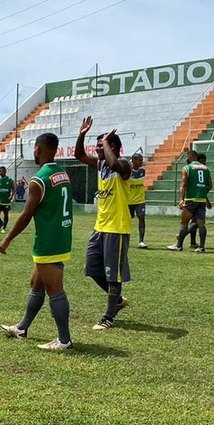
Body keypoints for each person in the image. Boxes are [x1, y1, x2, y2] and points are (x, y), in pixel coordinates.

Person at [0, 133, 73, 351]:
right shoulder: (63, 174)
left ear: (38, 149)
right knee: (36, 283)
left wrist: (7, 239)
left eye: (35, 148)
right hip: (61, 235)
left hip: (49, 240)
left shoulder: (39, 180)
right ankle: (22, 328)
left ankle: (64, 340)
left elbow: (25, 216)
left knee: (55, 289)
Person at [74, 116, 131, 331]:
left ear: (114, 146)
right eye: (98, 146)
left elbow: (115, 164)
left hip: (117, 228)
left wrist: (106, 143)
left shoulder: (124, 165)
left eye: (102, 145)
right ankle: (117, 300)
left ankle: (108, 317)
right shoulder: (100, 165)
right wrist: (82, 133)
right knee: (92, 268)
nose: (97, 149)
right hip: (100, 227)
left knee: (112, 274)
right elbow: (79, 155)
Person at [167, 150, 212, 253]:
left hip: (191, 199)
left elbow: (183, 185)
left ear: (191, 157)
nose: (187, 159)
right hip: (202, 200)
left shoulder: (187, 168)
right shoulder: (206, 168)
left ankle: (178, 245)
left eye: (187, 157)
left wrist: (181, 199)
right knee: (201, 224)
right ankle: (201, 247)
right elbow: (210, 185)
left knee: (184, 223)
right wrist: (202, 192)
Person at [186, 153, 213, 248]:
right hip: (197, 200)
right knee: (197, 222)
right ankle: (185, 236)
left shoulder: (190, 169)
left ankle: (192, 242)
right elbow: (209, 186)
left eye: (204, 161)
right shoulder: (204, 170)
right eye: (202, 161)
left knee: (194, 221)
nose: (204, 163)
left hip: (193, 199)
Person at [127, 153, 148, 249]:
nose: (141, 162)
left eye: (142, 160)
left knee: (142, 219)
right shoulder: (127, 171)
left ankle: (141, 241)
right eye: (139, 160)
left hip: (140, 200)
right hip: (128, 201)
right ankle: (125, 239)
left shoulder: (143, 171)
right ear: (133, 160)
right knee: (126, 221)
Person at [0, 166, 14, 233]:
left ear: (5, 171)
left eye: (3, 171)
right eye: (0, 171)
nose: (2, 172)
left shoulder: (9, 180)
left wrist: (11, 196)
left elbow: (13, 189)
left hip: (6, 201)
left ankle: (4, 228)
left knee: (6, 215)